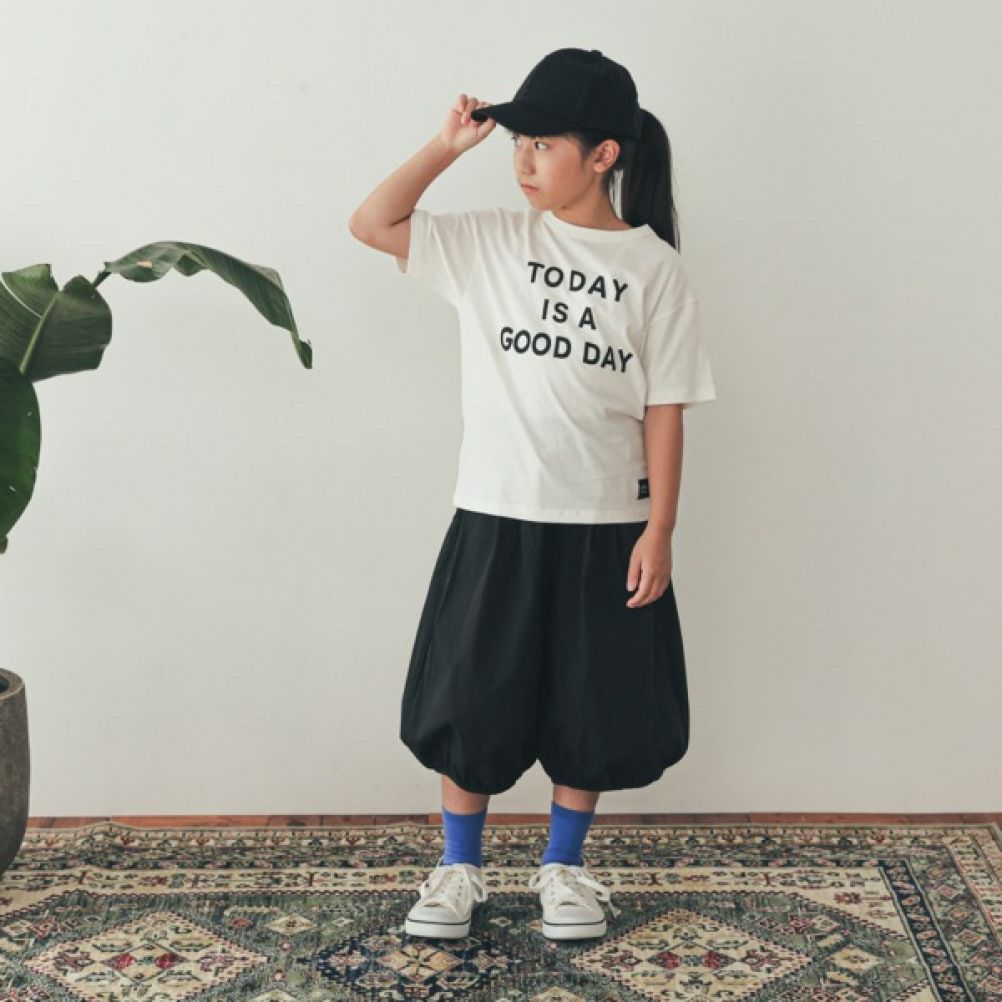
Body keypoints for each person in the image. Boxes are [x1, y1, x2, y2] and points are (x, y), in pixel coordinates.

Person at [348, 47, 716, 942]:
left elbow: (665, 409)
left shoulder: (654, 268)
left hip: (606, 522)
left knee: (590, 704)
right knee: (470, 700)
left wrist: (660, 528)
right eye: (519, 141)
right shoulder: (489, 242)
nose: (522, 160)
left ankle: (564, 868)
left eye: (543, 144)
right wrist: (447, 147)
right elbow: (371, 221)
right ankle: (458, 866)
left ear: (603, 155)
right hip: (497, 515)